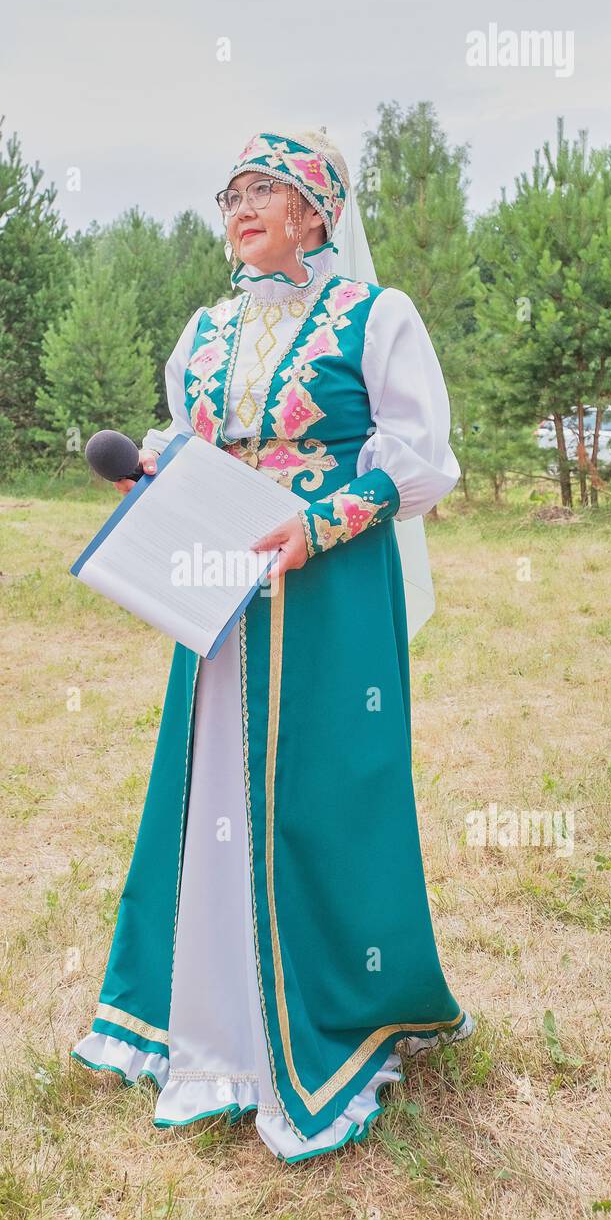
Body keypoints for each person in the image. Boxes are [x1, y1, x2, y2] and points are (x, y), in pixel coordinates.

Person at [71, 127, 474, 1163]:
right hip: (221, 595)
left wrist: (316, 523)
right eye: (232, 191)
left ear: (316, 212)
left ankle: (337, 1008)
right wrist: (152, 479)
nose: (242, 205)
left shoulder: (372, 317)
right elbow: (190, 444)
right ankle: (206, 1019)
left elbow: (421, 458)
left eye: (268, 188)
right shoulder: (204, 331)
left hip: (328, 594)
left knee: (323, 790)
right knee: (211, 794)